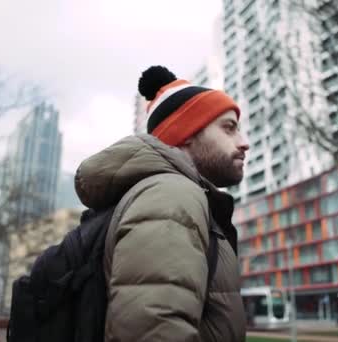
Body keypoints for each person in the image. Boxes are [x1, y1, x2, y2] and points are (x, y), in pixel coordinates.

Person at [75, 65, 249, 342]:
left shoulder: (173, 195)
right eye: (229, 128)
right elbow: (153, 330)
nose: (244, 143)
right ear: (186, 133)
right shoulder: (172, 196)